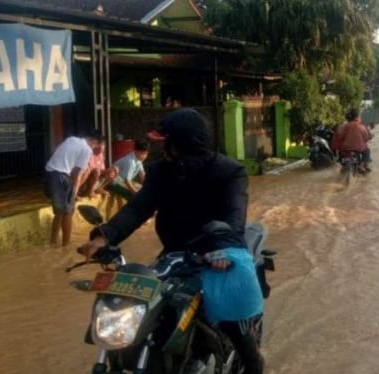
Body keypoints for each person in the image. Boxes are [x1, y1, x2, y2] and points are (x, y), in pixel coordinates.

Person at [77, 108, 265, 374]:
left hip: (216, 255)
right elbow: (138, 208)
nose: (162, 149)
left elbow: (234, 218)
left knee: (234, 324)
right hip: (174, 256)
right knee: (147, 311)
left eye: (167, 142)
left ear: (182, 144)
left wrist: (222, 250)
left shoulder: (229, 172)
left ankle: (254, 363)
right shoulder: (160, 172)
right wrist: (103, 236)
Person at [45, 130, 104, 246]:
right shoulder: (87, 150)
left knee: (59, 213)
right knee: (68, 212)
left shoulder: (71, 139)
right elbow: (77, 174)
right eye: (96, 145)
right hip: (61, 177)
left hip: (49, 173)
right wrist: (74, 192)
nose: (95, 148)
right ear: (94, 141)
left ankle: (53, 242)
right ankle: (66, 246)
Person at [331, 108, 372, 172]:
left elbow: (335, 142)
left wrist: (337, 151)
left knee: (341, 162)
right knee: (367, 150)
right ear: (357, 117)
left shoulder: (341, 127)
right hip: (358, 150)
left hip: (344, 152)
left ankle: (345, 167)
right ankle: (362, 165)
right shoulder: (361, 126)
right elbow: (366, 138)